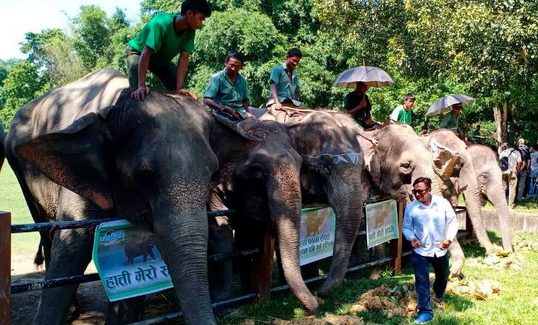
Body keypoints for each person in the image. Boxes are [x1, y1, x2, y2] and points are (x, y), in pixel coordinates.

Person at [127, 0, 212, 101]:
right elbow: (146, 53)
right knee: (138, 94)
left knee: (180, 93)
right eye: (200, 18)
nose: (201, 24)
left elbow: (184, 58)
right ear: (189, 14)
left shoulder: (190, 31)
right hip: (139, 54)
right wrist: (141, 85)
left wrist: (179, 87)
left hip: (161, 61)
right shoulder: (161, 23)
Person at [403, 177, 459, 324]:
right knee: (422, 281)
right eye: (414, 191)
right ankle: (425, 312)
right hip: (420, 252)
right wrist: (411, 238)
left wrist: (448, 239)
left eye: (420, 191)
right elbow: (406, 227)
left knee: (443, 275)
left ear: (429, 190)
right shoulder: (411, 208)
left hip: (439, 251)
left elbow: (453, 222)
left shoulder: (442, 204)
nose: (417, 194)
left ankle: (439, 293)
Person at [203, 51, 255, 121]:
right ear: (226, 63)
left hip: (240, 114)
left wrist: (247, 113)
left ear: (241, 66)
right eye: (231, 65)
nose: (233, 68)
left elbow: (245, 100)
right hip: (222, 114)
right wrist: (221, 108)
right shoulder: (217, 78)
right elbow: (206, 100)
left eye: (237, 66)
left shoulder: (243, 81)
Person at [266, 48, 305, 122]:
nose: (295, 63)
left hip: (290, 102)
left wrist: (296, 101)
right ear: (287, 57)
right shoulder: (277, 69)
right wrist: (277, 102)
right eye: (293, 60)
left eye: (297, 61)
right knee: (281, 119)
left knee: (309, 113)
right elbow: (273, 86)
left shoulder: (295, 74)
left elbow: (297, 90)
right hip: (276, 102)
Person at [499, 143, 522, 209]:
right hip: (512, 172)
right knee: (512, 189)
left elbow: (500, 162)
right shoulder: (516, 152)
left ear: (507, 146)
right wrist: (517, 170)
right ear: (513, 147)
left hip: (503, 172)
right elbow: (519, 162)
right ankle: (510, 205)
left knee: (503, 188)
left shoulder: (503, 152)